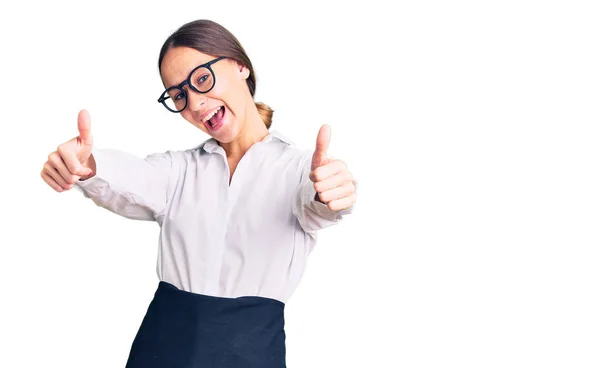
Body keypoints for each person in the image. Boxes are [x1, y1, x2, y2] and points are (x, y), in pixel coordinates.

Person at [40, 19, 357, 367]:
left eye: (202, 78)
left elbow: (315, 202)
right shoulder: (180, 171)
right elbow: (135, 177)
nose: (194, 103)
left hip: (250, 352)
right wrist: (88, 166)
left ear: (241, 67)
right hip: (162, 348)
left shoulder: (297, 169)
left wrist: (330, 191)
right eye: (179, 95)